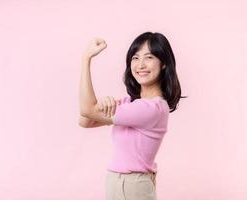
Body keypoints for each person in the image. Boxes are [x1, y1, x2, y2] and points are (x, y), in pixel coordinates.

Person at [79, 31, 186, 200]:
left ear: (163, 63)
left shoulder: (152, 108)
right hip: (122, 185)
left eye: (149, 57)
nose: (140, 64)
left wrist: (86, 59)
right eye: (135, 58)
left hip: (131, 187)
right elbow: (86, 120)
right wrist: (100, 103)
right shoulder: (130, 103)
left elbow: (87, 110)